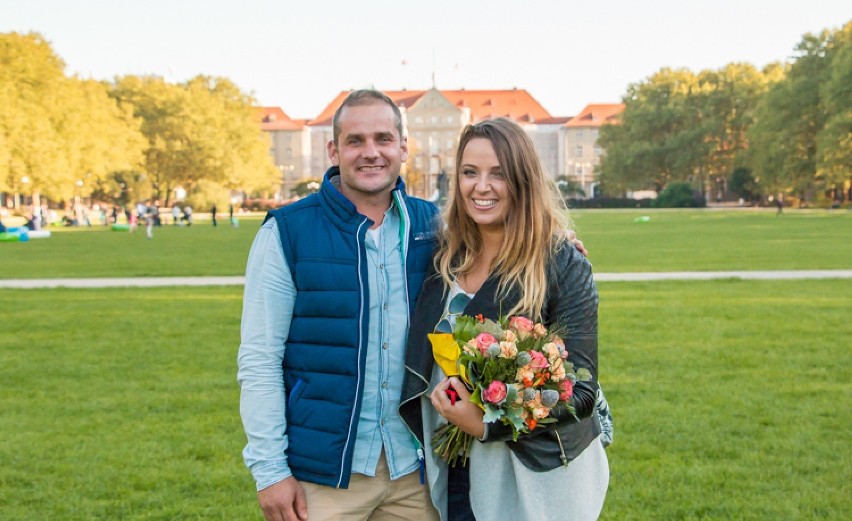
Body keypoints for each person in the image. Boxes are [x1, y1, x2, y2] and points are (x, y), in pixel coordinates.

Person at [237, 90, 441, 521]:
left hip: (417, 472)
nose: (371, 153)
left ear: (404, 147)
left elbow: (507, 261)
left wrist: (560, 253)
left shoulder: (436, 225)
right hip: (325, 478)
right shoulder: (286, 232)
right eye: (355, 141)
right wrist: (270, 470)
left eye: (384, 139)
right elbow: (259, 359)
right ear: (334, 150)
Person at [400, 118, 609, 520]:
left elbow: (581, 390)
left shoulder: (560, 262)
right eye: (469, 172)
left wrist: (487, 424)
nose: (481, 186)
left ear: (523, 180)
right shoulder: (443, 257)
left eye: (499, 174)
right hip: (457, 469)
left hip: (537, 476)